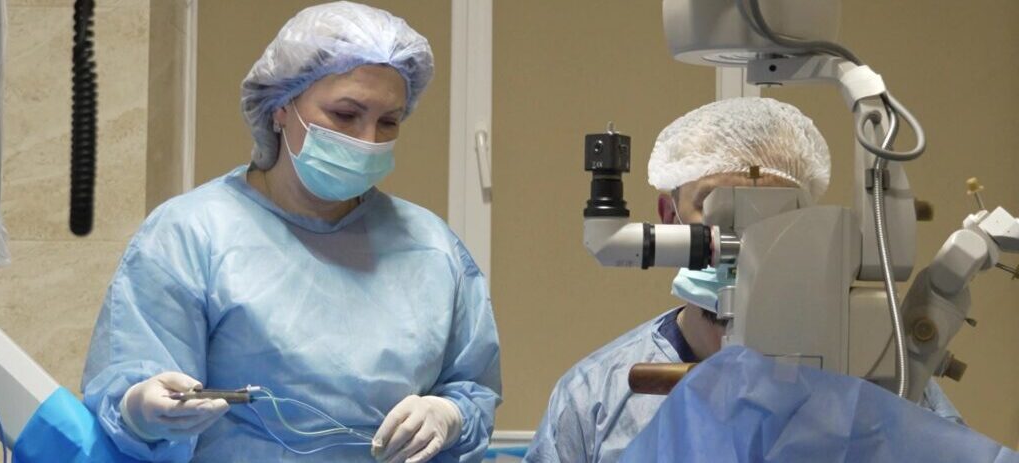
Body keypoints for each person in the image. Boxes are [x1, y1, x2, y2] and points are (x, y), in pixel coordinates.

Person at [81, 3, 501, 462]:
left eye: (388, 122)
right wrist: (139, 411)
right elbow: (134, 383)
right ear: (281, 107)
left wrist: (449, 414)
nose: (367, 140)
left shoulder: (431, 248)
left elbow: (472, 387)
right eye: (346, 114)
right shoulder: (191, 234)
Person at [524, 97, 963, 463]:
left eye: (777, 215)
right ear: (668, 218)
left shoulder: (880, 378)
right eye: (715, 206)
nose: (749, 235)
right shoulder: (595, 398)